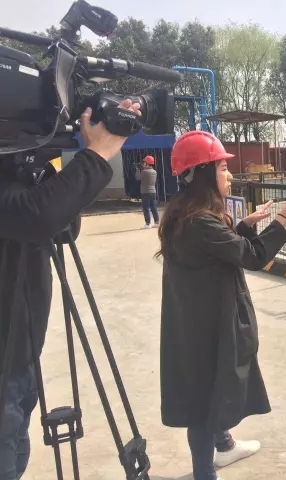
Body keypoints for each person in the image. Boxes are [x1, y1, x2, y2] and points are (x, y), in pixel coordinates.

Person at [0, 99, 142, 480]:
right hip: (6, 360)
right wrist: (97, 155)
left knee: (15, 455)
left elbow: (61, 226)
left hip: (21, 356)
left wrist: (49, 177)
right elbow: (38, 215)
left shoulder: (19, 173)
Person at [157, 130, 286, 480]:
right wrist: (284, 218)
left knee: (209, 387)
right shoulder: (201, 222)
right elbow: (252, 257)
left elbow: (217, 251)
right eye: (223, 168)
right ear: (204, 174)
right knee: (203, 400)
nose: (229, 175)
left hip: (196, 320)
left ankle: (223, 445)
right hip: (209, 324)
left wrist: (243, 225)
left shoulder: (186, 215)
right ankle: (204, 472)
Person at [135, 155, 160, 228]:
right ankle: (156, 222)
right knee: (153, 207)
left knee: (145, 208)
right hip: (153, 192)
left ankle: (147, 223)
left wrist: (137, 170)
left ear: (147, 163)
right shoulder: (154, 171)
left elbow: (138, 178)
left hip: (145, 192)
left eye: (144, 162)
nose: (143, 163)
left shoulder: (144, 171)